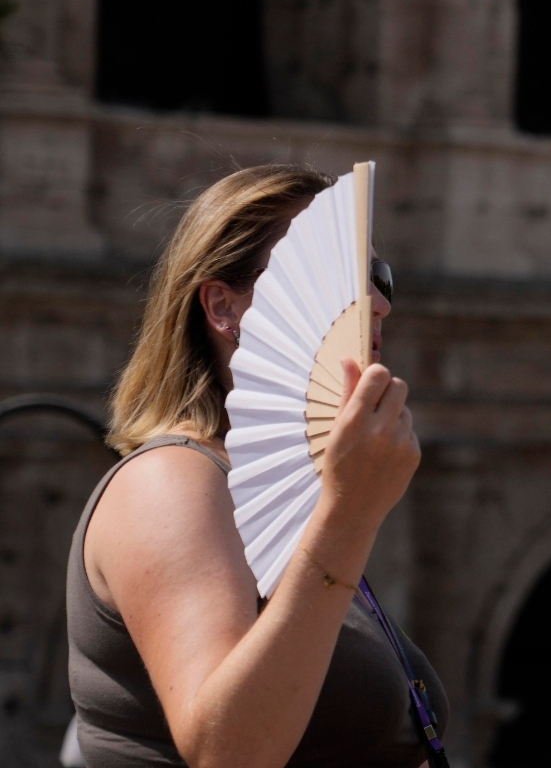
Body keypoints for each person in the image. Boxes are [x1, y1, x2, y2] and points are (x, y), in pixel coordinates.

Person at [67, 165, 441, 767]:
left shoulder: (283, 496)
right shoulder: (168, 482)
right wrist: (349, 516)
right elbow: (229, 752)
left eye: (380, 278)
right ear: (224, 307)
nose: (377, 304)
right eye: (342, 278)